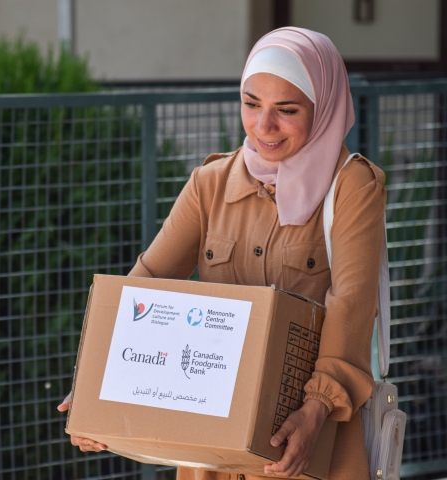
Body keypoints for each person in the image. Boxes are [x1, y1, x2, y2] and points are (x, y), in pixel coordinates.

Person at [58, 27, 386, 479]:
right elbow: (148, 280)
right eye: (251, 104)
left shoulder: (352, 187)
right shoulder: (209, 183)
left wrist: (317, 407)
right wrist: (95, 385)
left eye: (286, 110)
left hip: (307, 439)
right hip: (213, 442)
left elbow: (350, 304)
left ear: (324, 107)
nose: (263, 126)